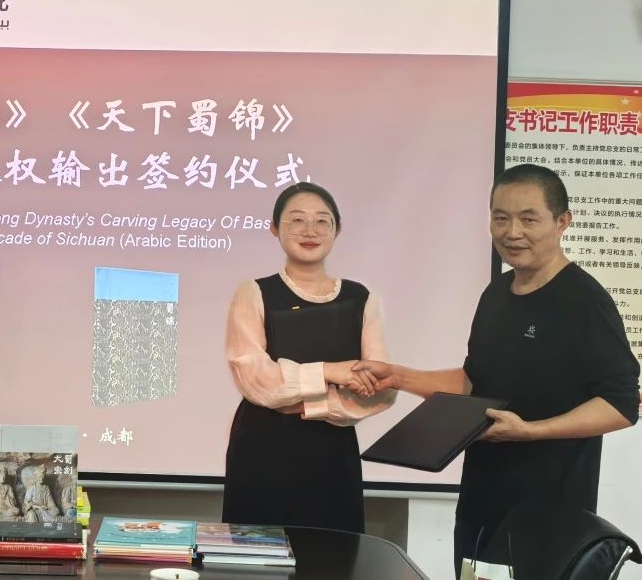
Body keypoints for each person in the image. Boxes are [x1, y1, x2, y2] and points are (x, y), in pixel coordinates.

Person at [352, 164, 640, 573]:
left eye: (529, 219)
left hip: (550, 513)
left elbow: (621, 404)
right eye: (500, 218)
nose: (512, 232)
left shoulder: (585, 301)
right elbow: (475, 382)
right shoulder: (496, 294)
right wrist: (398, 376)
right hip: (482, 501)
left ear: (562, 222)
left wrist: (531, 431)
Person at [222, 181, 397, 534]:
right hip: (263, 447)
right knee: (258, 552)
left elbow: (382, 387)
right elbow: (255, 379)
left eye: (322, 221)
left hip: (333, 450)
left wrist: (310, 405)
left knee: (333, 553)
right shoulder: (254, 292)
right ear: (274, 228)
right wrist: (332, 372)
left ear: (337, 229)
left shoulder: (361, 298)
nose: (310, 231)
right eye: (297, 220)